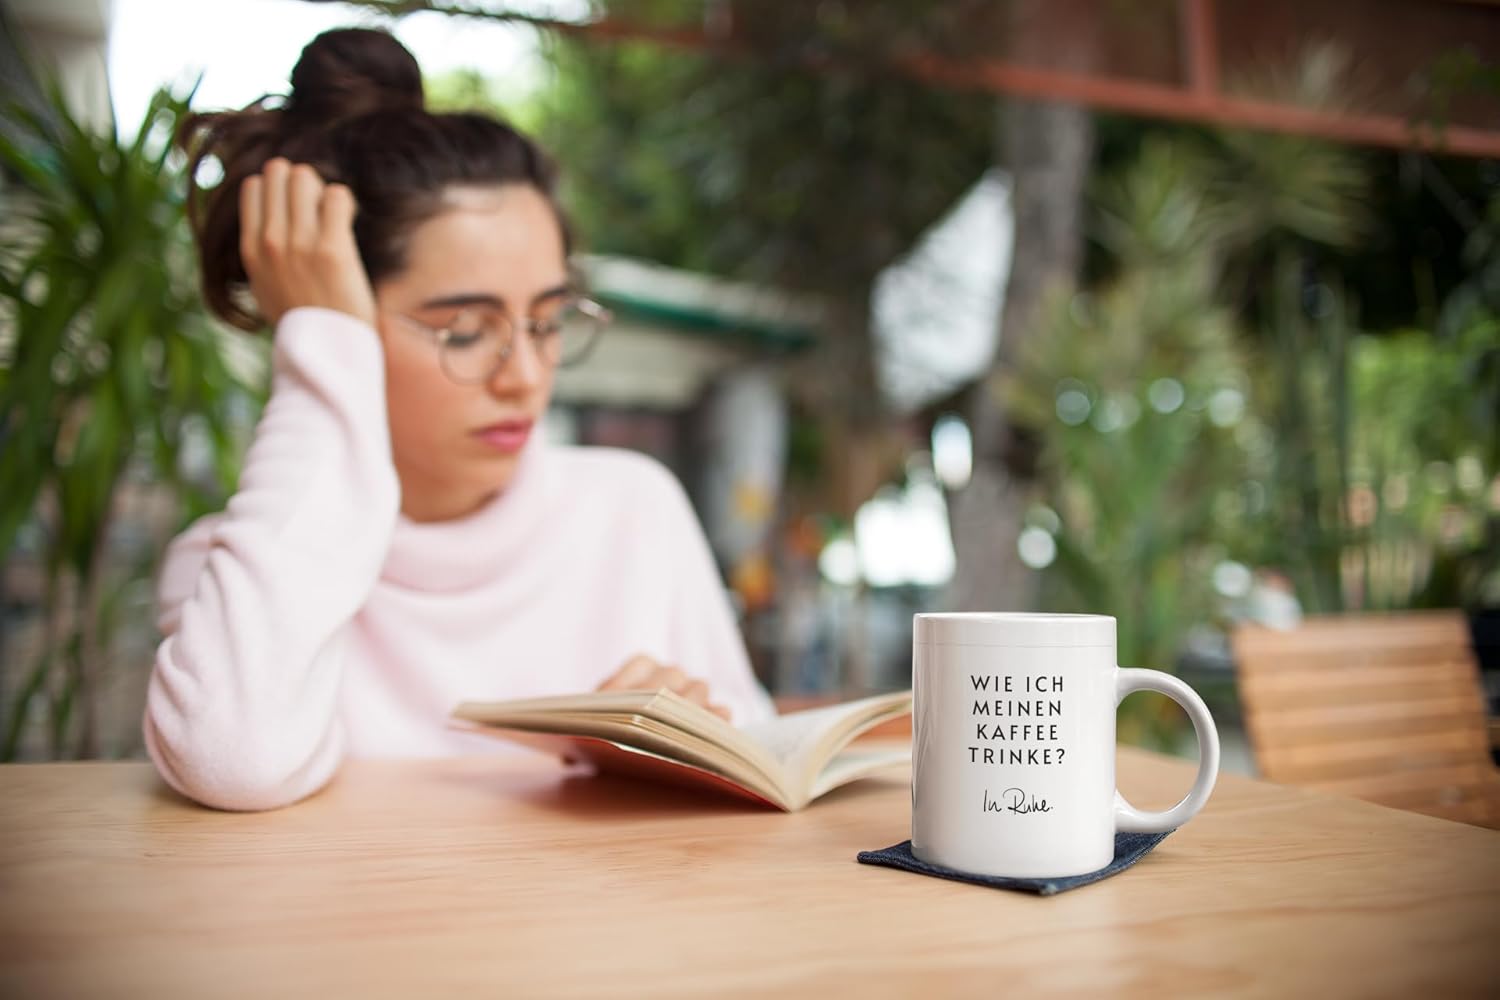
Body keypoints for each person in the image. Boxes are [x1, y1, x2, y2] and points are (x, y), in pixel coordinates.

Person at [144, 26, 775, 812]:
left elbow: (762, 757)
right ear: (338, 323)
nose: (525, 376)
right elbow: (230, 760)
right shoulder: (237, 575)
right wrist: (317, 345)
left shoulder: (630, 511)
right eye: (465, 331)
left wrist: (688, 744)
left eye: (546, 321)